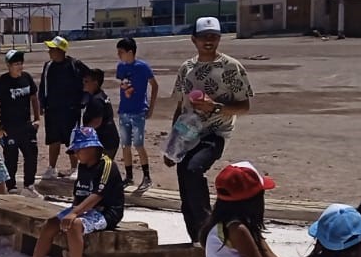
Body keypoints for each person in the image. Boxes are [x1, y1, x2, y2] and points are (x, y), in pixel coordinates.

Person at [166, 17, 254, 242]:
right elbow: (181, 107)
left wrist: (216, 107)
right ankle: (196, 239)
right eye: (204, 37)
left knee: (194, 170)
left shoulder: (231, 68)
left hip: (214, 133)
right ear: (193, 39)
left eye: (214, 36)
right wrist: (172, 145)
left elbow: (244, 107)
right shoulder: (186, 68)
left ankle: (210, 231)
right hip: (187, 134)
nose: (209, 41)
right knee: (184, 180)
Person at [12, 128, 123, 257]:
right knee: (50, 224)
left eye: (78, 150)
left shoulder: (107, 166)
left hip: (106, 211)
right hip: (84, 208)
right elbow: (80, 194)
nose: (76, 154)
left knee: (75, 225)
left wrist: (74, 213)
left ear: (91, 148)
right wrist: (71, 212)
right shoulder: (84, 166)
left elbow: (98, 195)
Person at [38, 35, 87, 179]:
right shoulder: (48, 66)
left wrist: (83, 100)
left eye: (52, 49)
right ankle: (51, 168)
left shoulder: (74, 65)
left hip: (71, 110)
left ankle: (75, 168)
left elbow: (90, 79)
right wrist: (42, 103)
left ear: (61, 50)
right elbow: (43, 85)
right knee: (53, 140)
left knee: (72, 140)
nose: (49, 52)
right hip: (52, 109)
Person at [0, 49, 41, 190]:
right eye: (16, 64)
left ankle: (29, 186)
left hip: (26, 126)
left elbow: (34, 98)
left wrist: (37, 119)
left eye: (21, 63)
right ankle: (11, 187)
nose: (19, 67)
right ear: (8, 65)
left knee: (31, 156)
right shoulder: (2, 82)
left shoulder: (27, 78)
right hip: (9, 128)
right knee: (11, 160)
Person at [114, 37, 157, 191]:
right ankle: (129, 176)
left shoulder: (143, 67)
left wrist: (151, 108)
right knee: (125, 145)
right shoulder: (120, 67)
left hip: (138, 111)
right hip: (124, 111)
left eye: (121, 52)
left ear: (130, 52)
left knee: (138, 144)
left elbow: (154, 85)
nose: (119, 55)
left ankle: (146, 177)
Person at [80, 67, 120, 159]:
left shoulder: (96, 100)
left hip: (105, 142)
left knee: (101, 169)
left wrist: (83, 131)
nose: (84, 83)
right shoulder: (100, 95)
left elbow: (97, 121)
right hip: (108, 140)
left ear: (95, 83)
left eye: (87, 81)